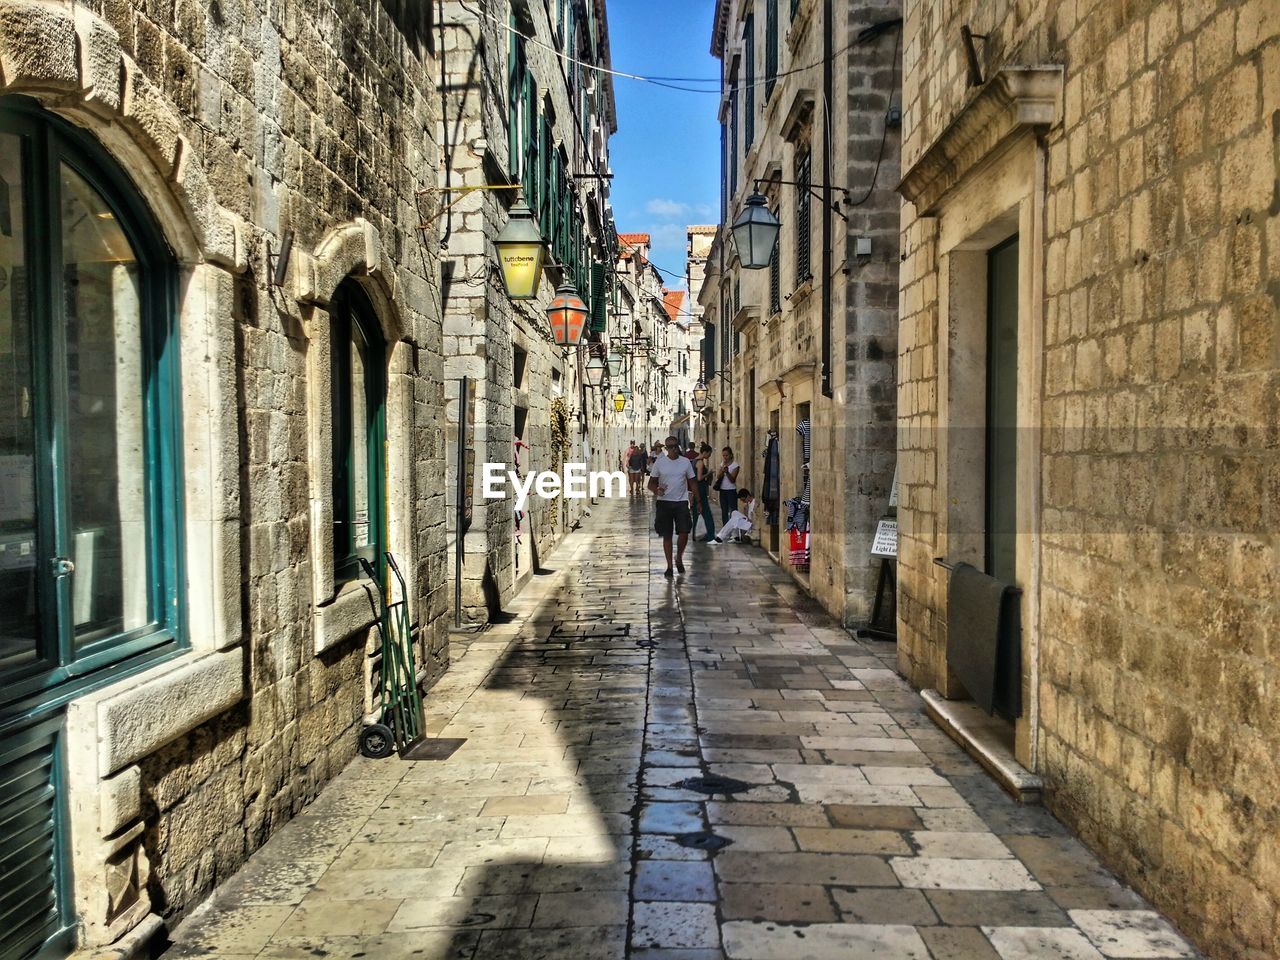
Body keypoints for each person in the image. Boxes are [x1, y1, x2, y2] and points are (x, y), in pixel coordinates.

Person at [649, 436, 700, 577]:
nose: (673, 449)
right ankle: (670, 566)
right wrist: (656, 490)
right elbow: (651, 483)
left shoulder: (685, 462)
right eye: (670, 447)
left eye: (675, 446)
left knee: (684, 532)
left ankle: (679, 558)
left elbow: (693, 481)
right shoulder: (660, 463)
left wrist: (698, 500)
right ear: (666, 448)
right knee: (667, 535)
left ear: (678, 447)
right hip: (664, 502)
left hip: (681, 502)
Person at [693, 442, 717, 541]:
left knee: (695, 513)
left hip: (695, 489)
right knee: (706, 512)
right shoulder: (700, 462)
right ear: (705, 452)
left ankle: (694, 534)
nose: (710, 456)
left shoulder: (694, 461)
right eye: (709, 454)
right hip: (700, 489)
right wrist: (709, 473)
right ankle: (710, 535)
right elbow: (699, 478)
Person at [713, 446, 741, 526]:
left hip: (731, 490)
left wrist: (727, 472)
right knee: (724, 510)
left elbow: (732, 480)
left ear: (731, 455)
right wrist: (722, 470)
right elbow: (718, 476)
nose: (725, 457)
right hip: (723, 490)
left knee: (733, 510)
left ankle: (735, 528)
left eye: (726, 455)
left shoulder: (735, 466)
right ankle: (725, 527)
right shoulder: (722, 464)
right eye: (723, 455)